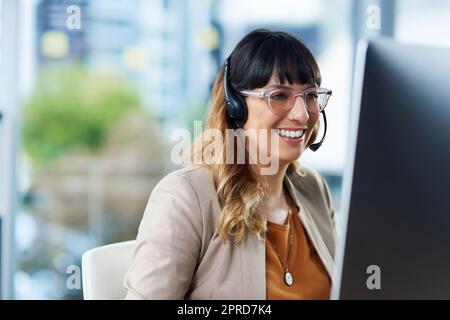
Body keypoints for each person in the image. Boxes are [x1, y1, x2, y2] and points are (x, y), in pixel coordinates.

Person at [123, 29, 337, 300]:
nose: (302, 114)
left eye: (310, 95)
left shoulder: (313, 188)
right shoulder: (185, 197)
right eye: (279, 96)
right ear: (236, 106)